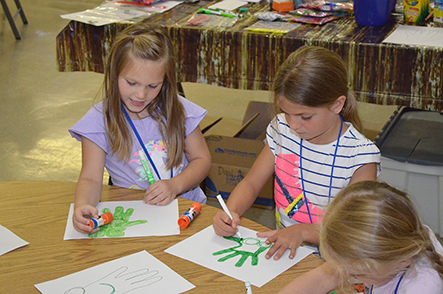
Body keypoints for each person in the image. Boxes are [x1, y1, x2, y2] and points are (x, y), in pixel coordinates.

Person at [212, 45, 380, 260]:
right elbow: (251, 183)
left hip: (336, 261)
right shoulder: (281, 129)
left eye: (305, 116)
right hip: (286, 254)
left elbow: (355, 227)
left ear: (337, 105)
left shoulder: (360, 157)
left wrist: (302, 232)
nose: (293, 124)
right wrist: (231, 212)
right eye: (286, 113)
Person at [69, 23, 211, 233]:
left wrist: (175, 185)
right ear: (113, 74)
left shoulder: (179, 110)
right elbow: (90, 178)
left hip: (187, 211)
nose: (141, 95)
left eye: (153, 86)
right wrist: (82, 205)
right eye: (132, 83)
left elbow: (202, 160)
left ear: (166, 80)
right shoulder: (99, 121)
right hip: (135, 216)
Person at [278, 181, 443, 294]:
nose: (349, 274)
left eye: (359, 273)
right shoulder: (395, 241)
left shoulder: (423, 287)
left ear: (402, 262)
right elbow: (322, 278)